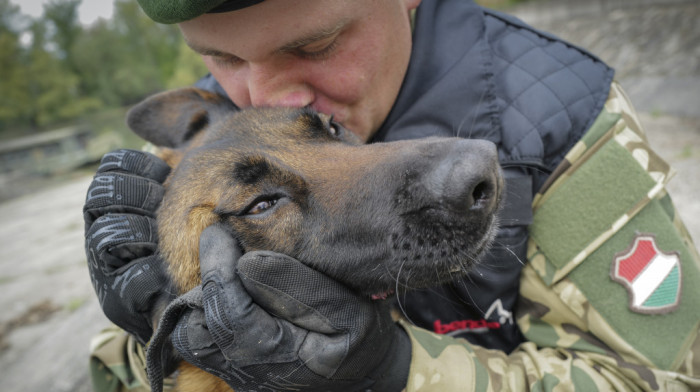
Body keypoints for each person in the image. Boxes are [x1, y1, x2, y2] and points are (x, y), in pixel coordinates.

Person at [83, 0, 700, 391]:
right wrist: (160, 342)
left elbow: (658, 381)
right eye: (221, 57)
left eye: (315, 45)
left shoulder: (559, 123)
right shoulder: (209, 153)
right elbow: (113, 373)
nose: (265, 97)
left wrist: (393, 374)